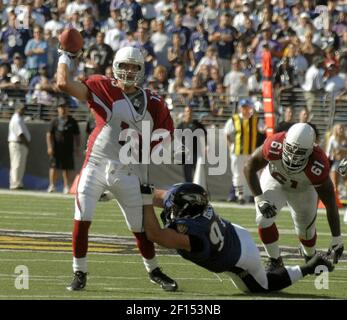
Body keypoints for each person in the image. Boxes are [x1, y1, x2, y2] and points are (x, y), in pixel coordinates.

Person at [56, 45, 177, 291]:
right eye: (125, 66)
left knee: (139, 227)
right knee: (83, 218)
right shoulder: (104, 87)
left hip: (128, 170)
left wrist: (146, 152)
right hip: (96, 164)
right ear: (115, 67)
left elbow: (166, 134)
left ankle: (154, 270)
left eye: (135, 67)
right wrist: (64, 57)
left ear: (142, 70)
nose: (129, 71)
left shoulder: (153, 102)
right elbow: (63, 84)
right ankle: (79, 272)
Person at [141, 182, 334, 293]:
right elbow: (162, 196)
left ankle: (309, 266)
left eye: (175, 207)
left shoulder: (195, 233)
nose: (170, 209)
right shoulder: (197, 210)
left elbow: (155, 235)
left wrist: (143, 200)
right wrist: (137, 191)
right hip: (234, 234)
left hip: (242, 257)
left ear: (188, 208)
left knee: (263, 287)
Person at [243, 123, 344, 272]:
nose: (293, 156)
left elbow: (330, 204)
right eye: (290, 149)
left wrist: (337, 238)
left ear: (311, 150)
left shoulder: (318, 164)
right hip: (275, 180)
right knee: (263, 219)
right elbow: (249, 167)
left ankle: (310, 256)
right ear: (284, 143)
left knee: (305, 232)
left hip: (303, 190)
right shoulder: (274, 143)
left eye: (300, 152)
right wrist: (259, 199)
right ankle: (275, 261)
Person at [224, 99, 265, 204]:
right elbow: (227, 133)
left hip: (251, 152)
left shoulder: (255, 119)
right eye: (244, 107)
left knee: (251, 173)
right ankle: (240, 196)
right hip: (237, 151)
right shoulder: (234, 119)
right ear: (240, 108)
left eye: (247, 107)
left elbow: (263, 129)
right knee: (238, 175)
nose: (245, 110)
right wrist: (230, 147)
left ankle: (252, 195)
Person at [46, 101, 81, 194]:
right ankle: (52, 185)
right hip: (56, 148)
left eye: (65, 107)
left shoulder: (73, 122)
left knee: (67, 167)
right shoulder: (54, 121)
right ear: (58, 109)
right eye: (61, 107)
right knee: (53, 166)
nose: (63, 110)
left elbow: (77, 135)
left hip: (68, 148)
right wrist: (50, 147)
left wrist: (77, 147)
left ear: (68, 109)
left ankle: (66, 186)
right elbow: (49, 135)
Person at [176, 106, 206, 183]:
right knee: (187, 176)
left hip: (196, 153)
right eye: (187, 111)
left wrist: (206, 146)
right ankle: (189, 191)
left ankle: (197, 191)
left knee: (198, 174)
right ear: (184, 113)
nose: (188, 113)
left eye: (190, 111)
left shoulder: (197, 125)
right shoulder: (181, 126)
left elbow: (204, 135)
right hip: (186, 155)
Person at [8, 103, 31, 190]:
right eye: (21, 109)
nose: (23, 110)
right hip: (18, 143)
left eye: (24, 109)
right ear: (17, 109)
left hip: (20, 144)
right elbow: (20, 134)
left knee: (20, 164)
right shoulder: (16, 119)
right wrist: (26, 143)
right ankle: (15, 183)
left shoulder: (20, 119)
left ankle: (18, 182)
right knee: (16, 164)